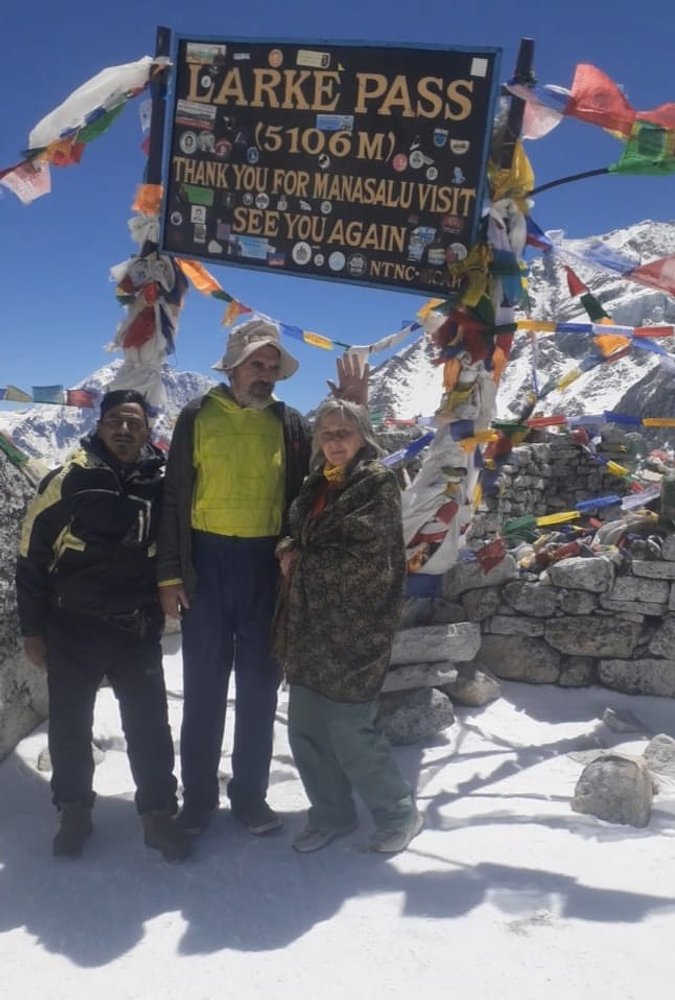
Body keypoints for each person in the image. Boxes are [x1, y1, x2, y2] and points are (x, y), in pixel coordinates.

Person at [15, 390, 191, 862]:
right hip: (72, 625)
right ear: (100, 425)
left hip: (136, 627)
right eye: (116, 420)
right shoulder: (69, 479)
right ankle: (73, 810)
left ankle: (158, 814)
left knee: (150, 725)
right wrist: (32, 630)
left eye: (134, 422)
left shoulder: (162, 482)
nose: (125, 429)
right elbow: (31, 556)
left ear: (147, 429)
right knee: (71, 725)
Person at [156, 319, 314, 838]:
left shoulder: (289, 425)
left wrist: (355, 405)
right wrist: (169, 574)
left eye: (272, 367)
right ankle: (198, 799)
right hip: (205, 564)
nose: (265, 375)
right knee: (202, 687)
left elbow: (327, 479)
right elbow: (175, 496)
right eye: (256, 364)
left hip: (263, 568)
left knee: (260, 689)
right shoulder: (197, 415)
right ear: (233, 367)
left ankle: (250, 797)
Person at [274, 398, 423, 854]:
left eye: (345, 432)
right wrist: (287, 545)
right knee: (305, 728)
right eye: (327, 433)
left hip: (356, 626)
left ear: (362, 436)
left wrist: (300, 558)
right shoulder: (317, 482)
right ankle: (331, 814)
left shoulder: (376, 482)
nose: (335, 441)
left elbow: (364, 553)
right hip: (310, 625)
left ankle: (398, 812)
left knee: (351, 728)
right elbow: (297, 530)